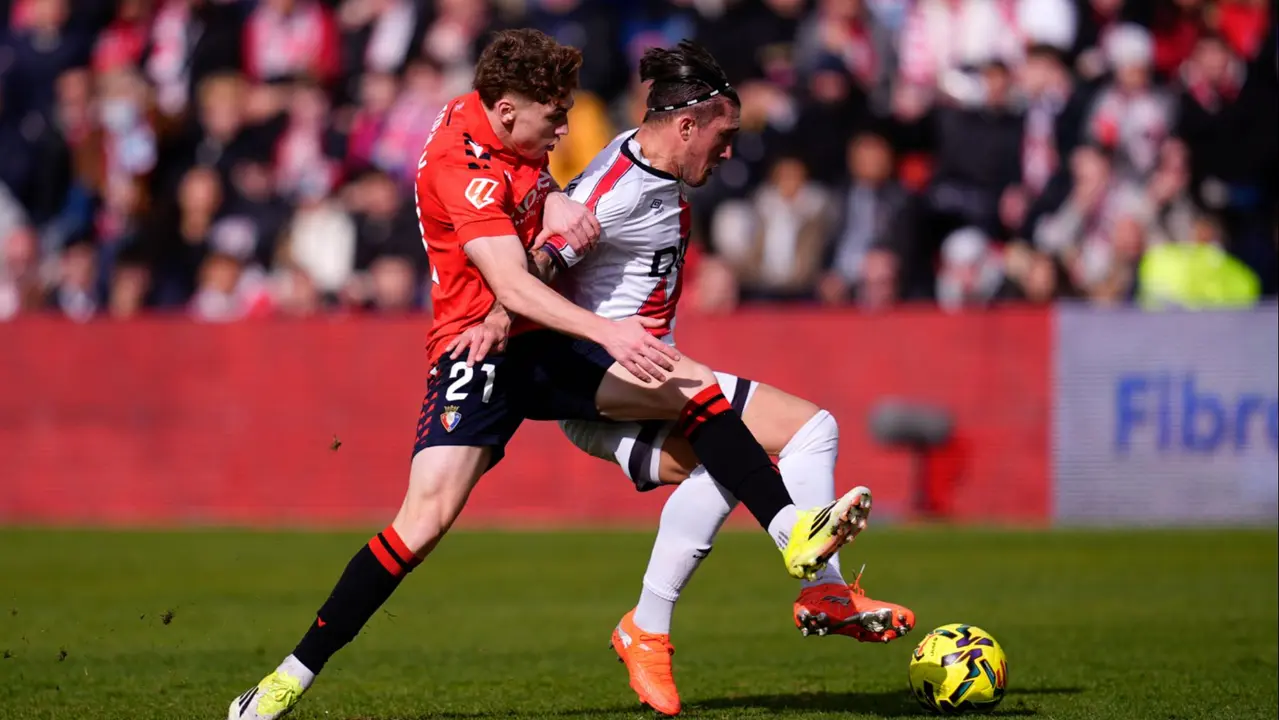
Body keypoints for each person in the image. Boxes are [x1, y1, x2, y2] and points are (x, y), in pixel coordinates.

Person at [228, 29, 868, 720]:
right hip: (478, 349)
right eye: (553, 118)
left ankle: (790, 538)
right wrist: (606, 329)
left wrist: (553, 193)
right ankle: (288, 677)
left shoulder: (487, 122)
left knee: (688, 384)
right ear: (507, 113)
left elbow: (528, 186)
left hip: (543, 345)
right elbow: (509, 284)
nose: (565, 128)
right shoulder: (459, 167)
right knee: (423, 521)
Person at [521, 41, 916, 716]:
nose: (729, 152)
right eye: (723, 137)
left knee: (752, 455)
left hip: (641, 379)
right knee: (798, 431)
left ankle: (650, 627)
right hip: (607, 377)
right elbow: (531, 275)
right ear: (685, 127)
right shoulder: (610, 194)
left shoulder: (651, 159)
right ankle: (813, 575)